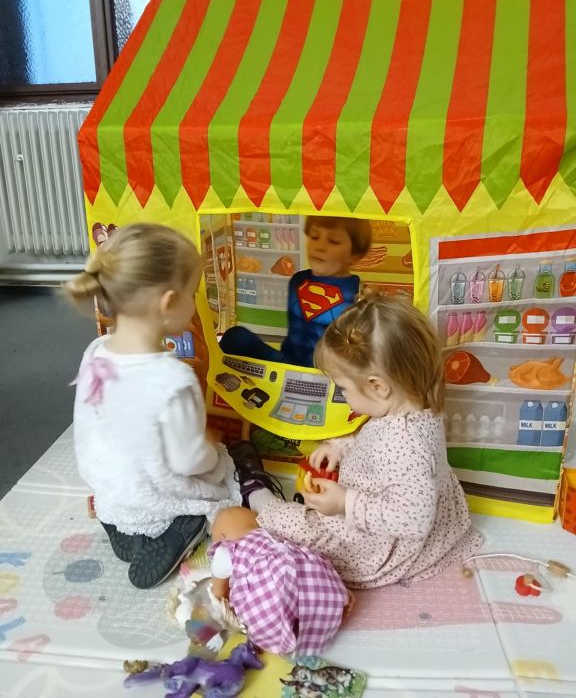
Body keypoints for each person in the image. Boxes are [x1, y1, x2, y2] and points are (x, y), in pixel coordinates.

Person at [234, 292, 484, 589]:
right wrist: (340, 446)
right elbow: (376, 443)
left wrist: (344, 503)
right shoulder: (415, 407)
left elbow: (413, 519)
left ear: (378, 386)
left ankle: (259, 497)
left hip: (378, 547)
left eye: (343, 388)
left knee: (295, 522)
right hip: (410, 520)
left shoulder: (404, 442)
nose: (343, 396)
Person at [64, 223, 241, 589]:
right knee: (225, 468)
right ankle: (181, 528)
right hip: (154, 493)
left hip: (111, 491)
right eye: (193, 294)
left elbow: (90, 427)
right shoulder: (172, 380)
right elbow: (189, 461)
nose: (195, 305)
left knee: (129, 477)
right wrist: (209, 446)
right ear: (169, 303)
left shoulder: (95, 352)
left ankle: (124, 529)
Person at [220, 216, 372, 368]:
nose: (320, 247)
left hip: (326, 374)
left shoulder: (359, 295)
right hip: (288, 366)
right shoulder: (298, 280)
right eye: (314, 236)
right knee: (236, 337)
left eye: (333, 241)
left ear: (355, 254)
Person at [206, 506, 351, 655]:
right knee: (313, 584)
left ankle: (276, 640)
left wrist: (221, 601)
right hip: (304, 571)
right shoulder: (270, 537)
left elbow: (219, 594)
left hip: (271, 591)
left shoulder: (225, 550)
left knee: (262, 612)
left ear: (222, 537)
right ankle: (334, 606)